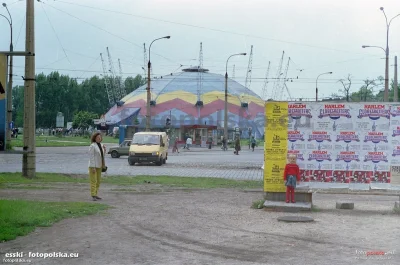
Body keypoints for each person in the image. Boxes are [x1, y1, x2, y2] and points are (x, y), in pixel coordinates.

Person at [88, 132, 106, 201]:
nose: (99, 138)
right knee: (93, 181)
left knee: (98, 181)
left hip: (99, 165)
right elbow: (91, 157)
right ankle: (93, 195)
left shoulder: (101, 145)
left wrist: (104, 150)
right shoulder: (92, 146)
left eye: (100, 137)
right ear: (95, 138)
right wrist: (93, 167)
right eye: (97, 137)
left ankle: (95, 194)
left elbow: (102, 156)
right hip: (93, 166)